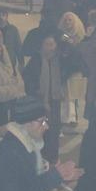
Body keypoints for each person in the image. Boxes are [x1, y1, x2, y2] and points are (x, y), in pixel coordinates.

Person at [22, 34, 64, 163]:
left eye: (52, 44)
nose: (51, 48)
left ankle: (53, 158)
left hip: (55, 100)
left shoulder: (58, 60)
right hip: (40, 101)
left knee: (54, 129)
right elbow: (28, 79)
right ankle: (42, 158)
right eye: (47, 44)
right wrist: (37, 94)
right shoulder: (36, 60)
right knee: (42, 131)